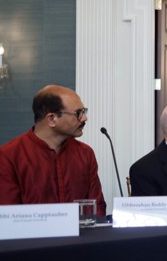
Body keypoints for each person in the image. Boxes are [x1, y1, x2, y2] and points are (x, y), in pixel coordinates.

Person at [0, 85, 107, 214]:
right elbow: (8, 215)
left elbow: (97, 207)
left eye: (84, 112)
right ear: (51, 119)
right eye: (78, 113)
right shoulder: (8, 156)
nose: (84, 118)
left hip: (83, 234)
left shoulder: (85, 153)